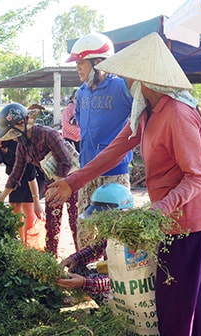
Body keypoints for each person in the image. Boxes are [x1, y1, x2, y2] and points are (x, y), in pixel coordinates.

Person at [47, 32, 201, 336]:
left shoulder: (178, 114)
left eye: (129, 75)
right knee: (179, 300)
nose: (124, 81)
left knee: (181, 303)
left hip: (190, 221)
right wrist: (73, 181)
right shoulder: (146, 110)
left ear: (144, 78)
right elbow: (112, 151)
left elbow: (196, 178)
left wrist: (158, 210)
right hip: (165, 221)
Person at [66, 33, 133, 246]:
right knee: (85, 226)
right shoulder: (81, 93)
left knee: (116, 230)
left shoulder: (121, 87)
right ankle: (83, 272)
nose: (77, 67)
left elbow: (143, 113)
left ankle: (115, 274)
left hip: (114, 172)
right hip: (86, 170)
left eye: (81, 62)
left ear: (98, 62)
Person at [0, 103, 78, 258]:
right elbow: (16, 173)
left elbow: (65, 161)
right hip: (51, 181)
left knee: (75, 221)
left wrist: (57, 184)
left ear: (23, 123)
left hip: (71, 181)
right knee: (52, 223)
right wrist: (3, 196)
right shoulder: (22, 146)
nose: (14, 137)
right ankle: (50, 259)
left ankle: (80, 259)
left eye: (14, 133)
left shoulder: (48, 134)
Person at [57, 183, 135, 306]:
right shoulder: (111, 231)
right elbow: (95, 248)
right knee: (76, 267)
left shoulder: (132, 241)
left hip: (128, 291)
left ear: (120, 215)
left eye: (102, 220)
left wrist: (85, 283)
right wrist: (74, 258)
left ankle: (110, 311)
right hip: (112, 276)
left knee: (94, 284)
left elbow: (121, 280)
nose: (98, 225)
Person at [0, 110, 41, 246]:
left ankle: (31, 246)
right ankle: (22, 244)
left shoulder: (16, 143)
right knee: (15, 210)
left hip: (33, 178)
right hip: (15, 179)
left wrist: (36, 200)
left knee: (28, 209)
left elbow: (30, 174)